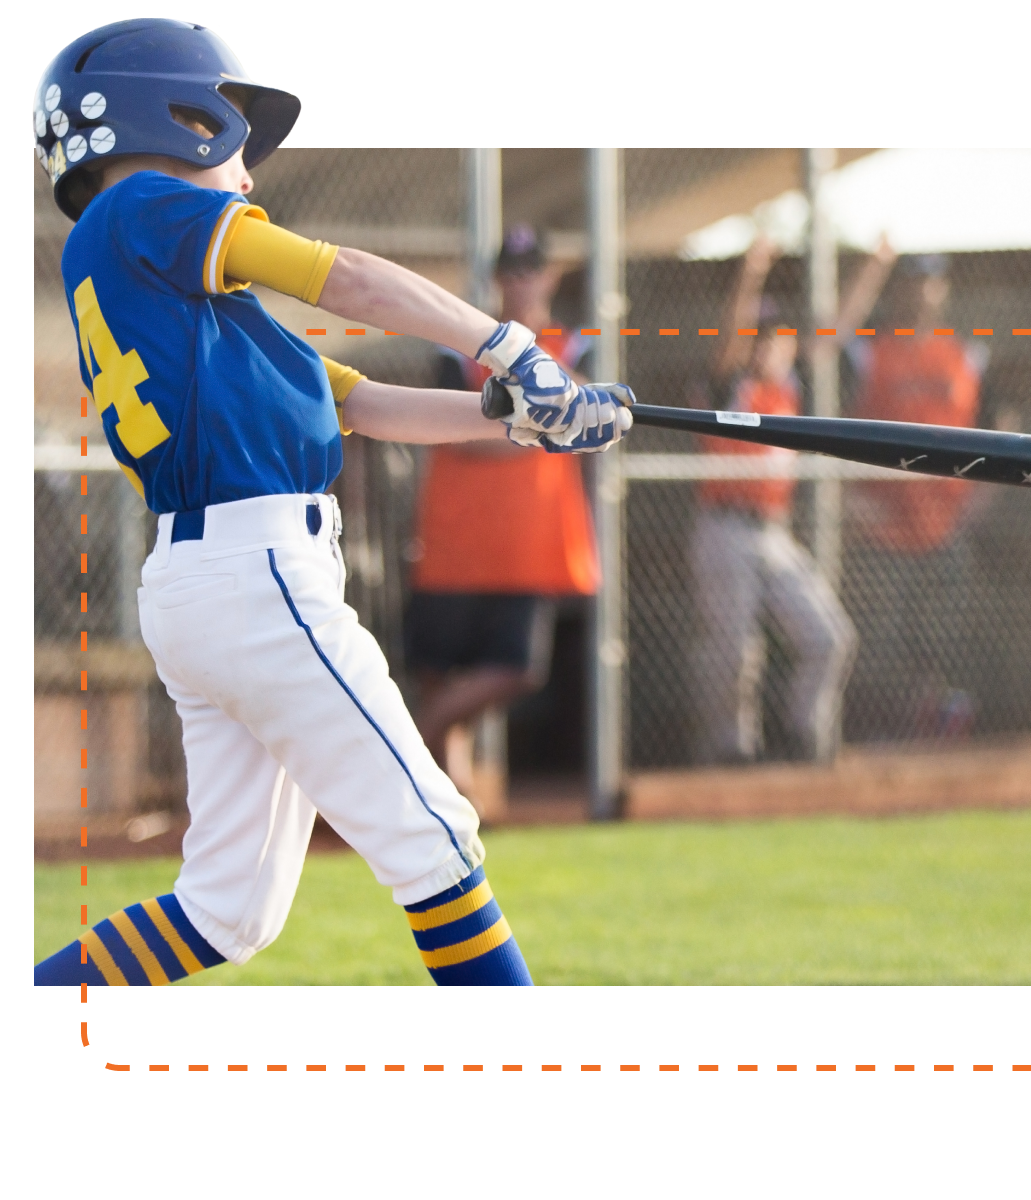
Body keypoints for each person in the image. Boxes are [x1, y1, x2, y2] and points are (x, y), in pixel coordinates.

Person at [32, 19, 632, 987]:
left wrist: (524, 420)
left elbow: (369, 404)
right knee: (435, 842)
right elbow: (343, 275)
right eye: (229, 139)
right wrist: (514, 348)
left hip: (206, 580)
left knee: (225, 910)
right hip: (256, 573)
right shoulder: (145, 207)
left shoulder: (180, 301)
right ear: (167, 116)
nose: (247, 175)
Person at [405, 226, 596, 804]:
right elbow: (449, 431)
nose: (520, 282)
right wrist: (538, 424)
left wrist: (514, 425)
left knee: (517, 669)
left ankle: (403, 752)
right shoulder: (461, 343)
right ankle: (450, 797)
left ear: (549, 275)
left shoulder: (574, 344)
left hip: (530, 541)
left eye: (530, 270)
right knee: (437, 670)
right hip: (456, 539)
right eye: (510, 272)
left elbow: (591, 411)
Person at [690, 235, 893, 764]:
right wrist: (751, 273)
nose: (768, 347)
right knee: (735, 653)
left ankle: (802, 739)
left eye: (776, 339)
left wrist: (875, 267)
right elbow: (731, 337)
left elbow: (838, 330)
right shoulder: (729, 385)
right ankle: (731, 753)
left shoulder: (792, 383)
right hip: (725, 529)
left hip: (774, 531)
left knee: (828, 637)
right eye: (760, 339)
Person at [843, 253, 987, 740]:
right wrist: (845, 500)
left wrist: (978, 500)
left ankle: (940, 731)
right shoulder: (871, 351)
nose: (922, 292)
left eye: (931, 282)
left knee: (945, 639)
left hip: (946, 522)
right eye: (913, 282)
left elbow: (1000, 424)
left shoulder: (963, 352)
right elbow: (836, 416)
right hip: (882, 527)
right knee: (881, 643)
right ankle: (887, 734)